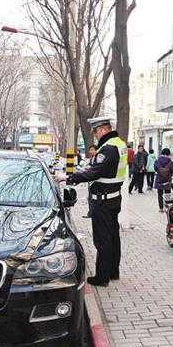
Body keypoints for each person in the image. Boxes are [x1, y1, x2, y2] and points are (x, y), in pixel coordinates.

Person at [60, 117, 127, 286]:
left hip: (103, 202)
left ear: (103, 129)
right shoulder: (120, 144)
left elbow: (94, 173)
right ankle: (113, 272)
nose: (96, 136)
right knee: (113, 237)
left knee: (102, 239)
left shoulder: (108, 148)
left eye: (96, 132)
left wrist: (69, 177)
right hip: (114, 198)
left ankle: (102, 277)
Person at [154, 148, 173, 212]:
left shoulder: (157, 160)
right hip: (167, 180)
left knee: (160, 194)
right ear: (168, 154)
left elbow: (155, 169)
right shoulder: (170, 161)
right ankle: (167, 207)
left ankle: (161, 208)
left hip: (159, 180)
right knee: (167, 194)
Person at [83, 145, 97, 219]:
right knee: (90, 198)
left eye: (92, 150)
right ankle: (91, 213)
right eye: (90, 150)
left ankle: (92, 213)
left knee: (92, 198)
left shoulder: (97, 159)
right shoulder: (92, 158)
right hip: (90, 181)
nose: (90, 151)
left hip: (95, 182)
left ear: (96, 150)